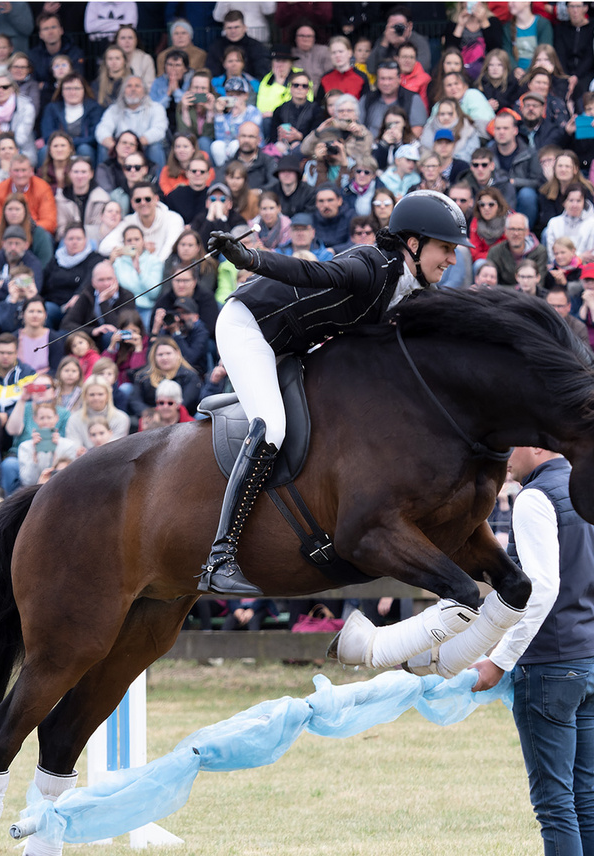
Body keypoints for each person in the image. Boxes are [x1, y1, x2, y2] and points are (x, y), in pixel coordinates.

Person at [198, 189, 471, 595]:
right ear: (413, 244)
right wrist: (249, 259)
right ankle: (220, 557)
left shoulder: (415, 289)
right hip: (250, 327)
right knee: (272, 426)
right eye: (445, 249)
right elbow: (311, 274)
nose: (452, 259)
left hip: (292, 344)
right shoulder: (369, 267)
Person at [464, 444, 594, 856]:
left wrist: (499, 660)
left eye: (512, 442)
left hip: (549, 669)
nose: (505, 453)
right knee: (585, 801)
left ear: (536, 444)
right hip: (593, 660)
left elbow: (541, 587)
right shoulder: (587, 486)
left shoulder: (533, 499)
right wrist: (582, 626)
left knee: (557, 807)